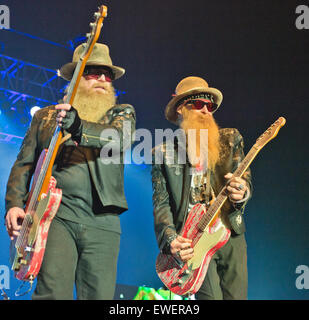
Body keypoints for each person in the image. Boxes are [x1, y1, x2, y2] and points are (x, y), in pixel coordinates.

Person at [5, 43, 136, 300]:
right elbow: (23, 164)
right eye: (93, 72)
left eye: (107, 75)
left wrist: (77, 125)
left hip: (103, 221)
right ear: (76, 77)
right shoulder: (45, 117)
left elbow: (120, 138)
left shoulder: (121, 114)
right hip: (55, 217)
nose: (102, 79)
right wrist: (14, 204)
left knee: (99, 296)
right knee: (53, 293)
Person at [151, 76, 252, 300]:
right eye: (198, 103)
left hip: (229, 232)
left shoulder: (230, 139)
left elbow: (245, 182)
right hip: (195, 237)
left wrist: (242, 193)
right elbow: (161, 202)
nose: (206, 110)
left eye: (210, 105)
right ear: (180, 108)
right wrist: (170, 239)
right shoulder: (163, 152)